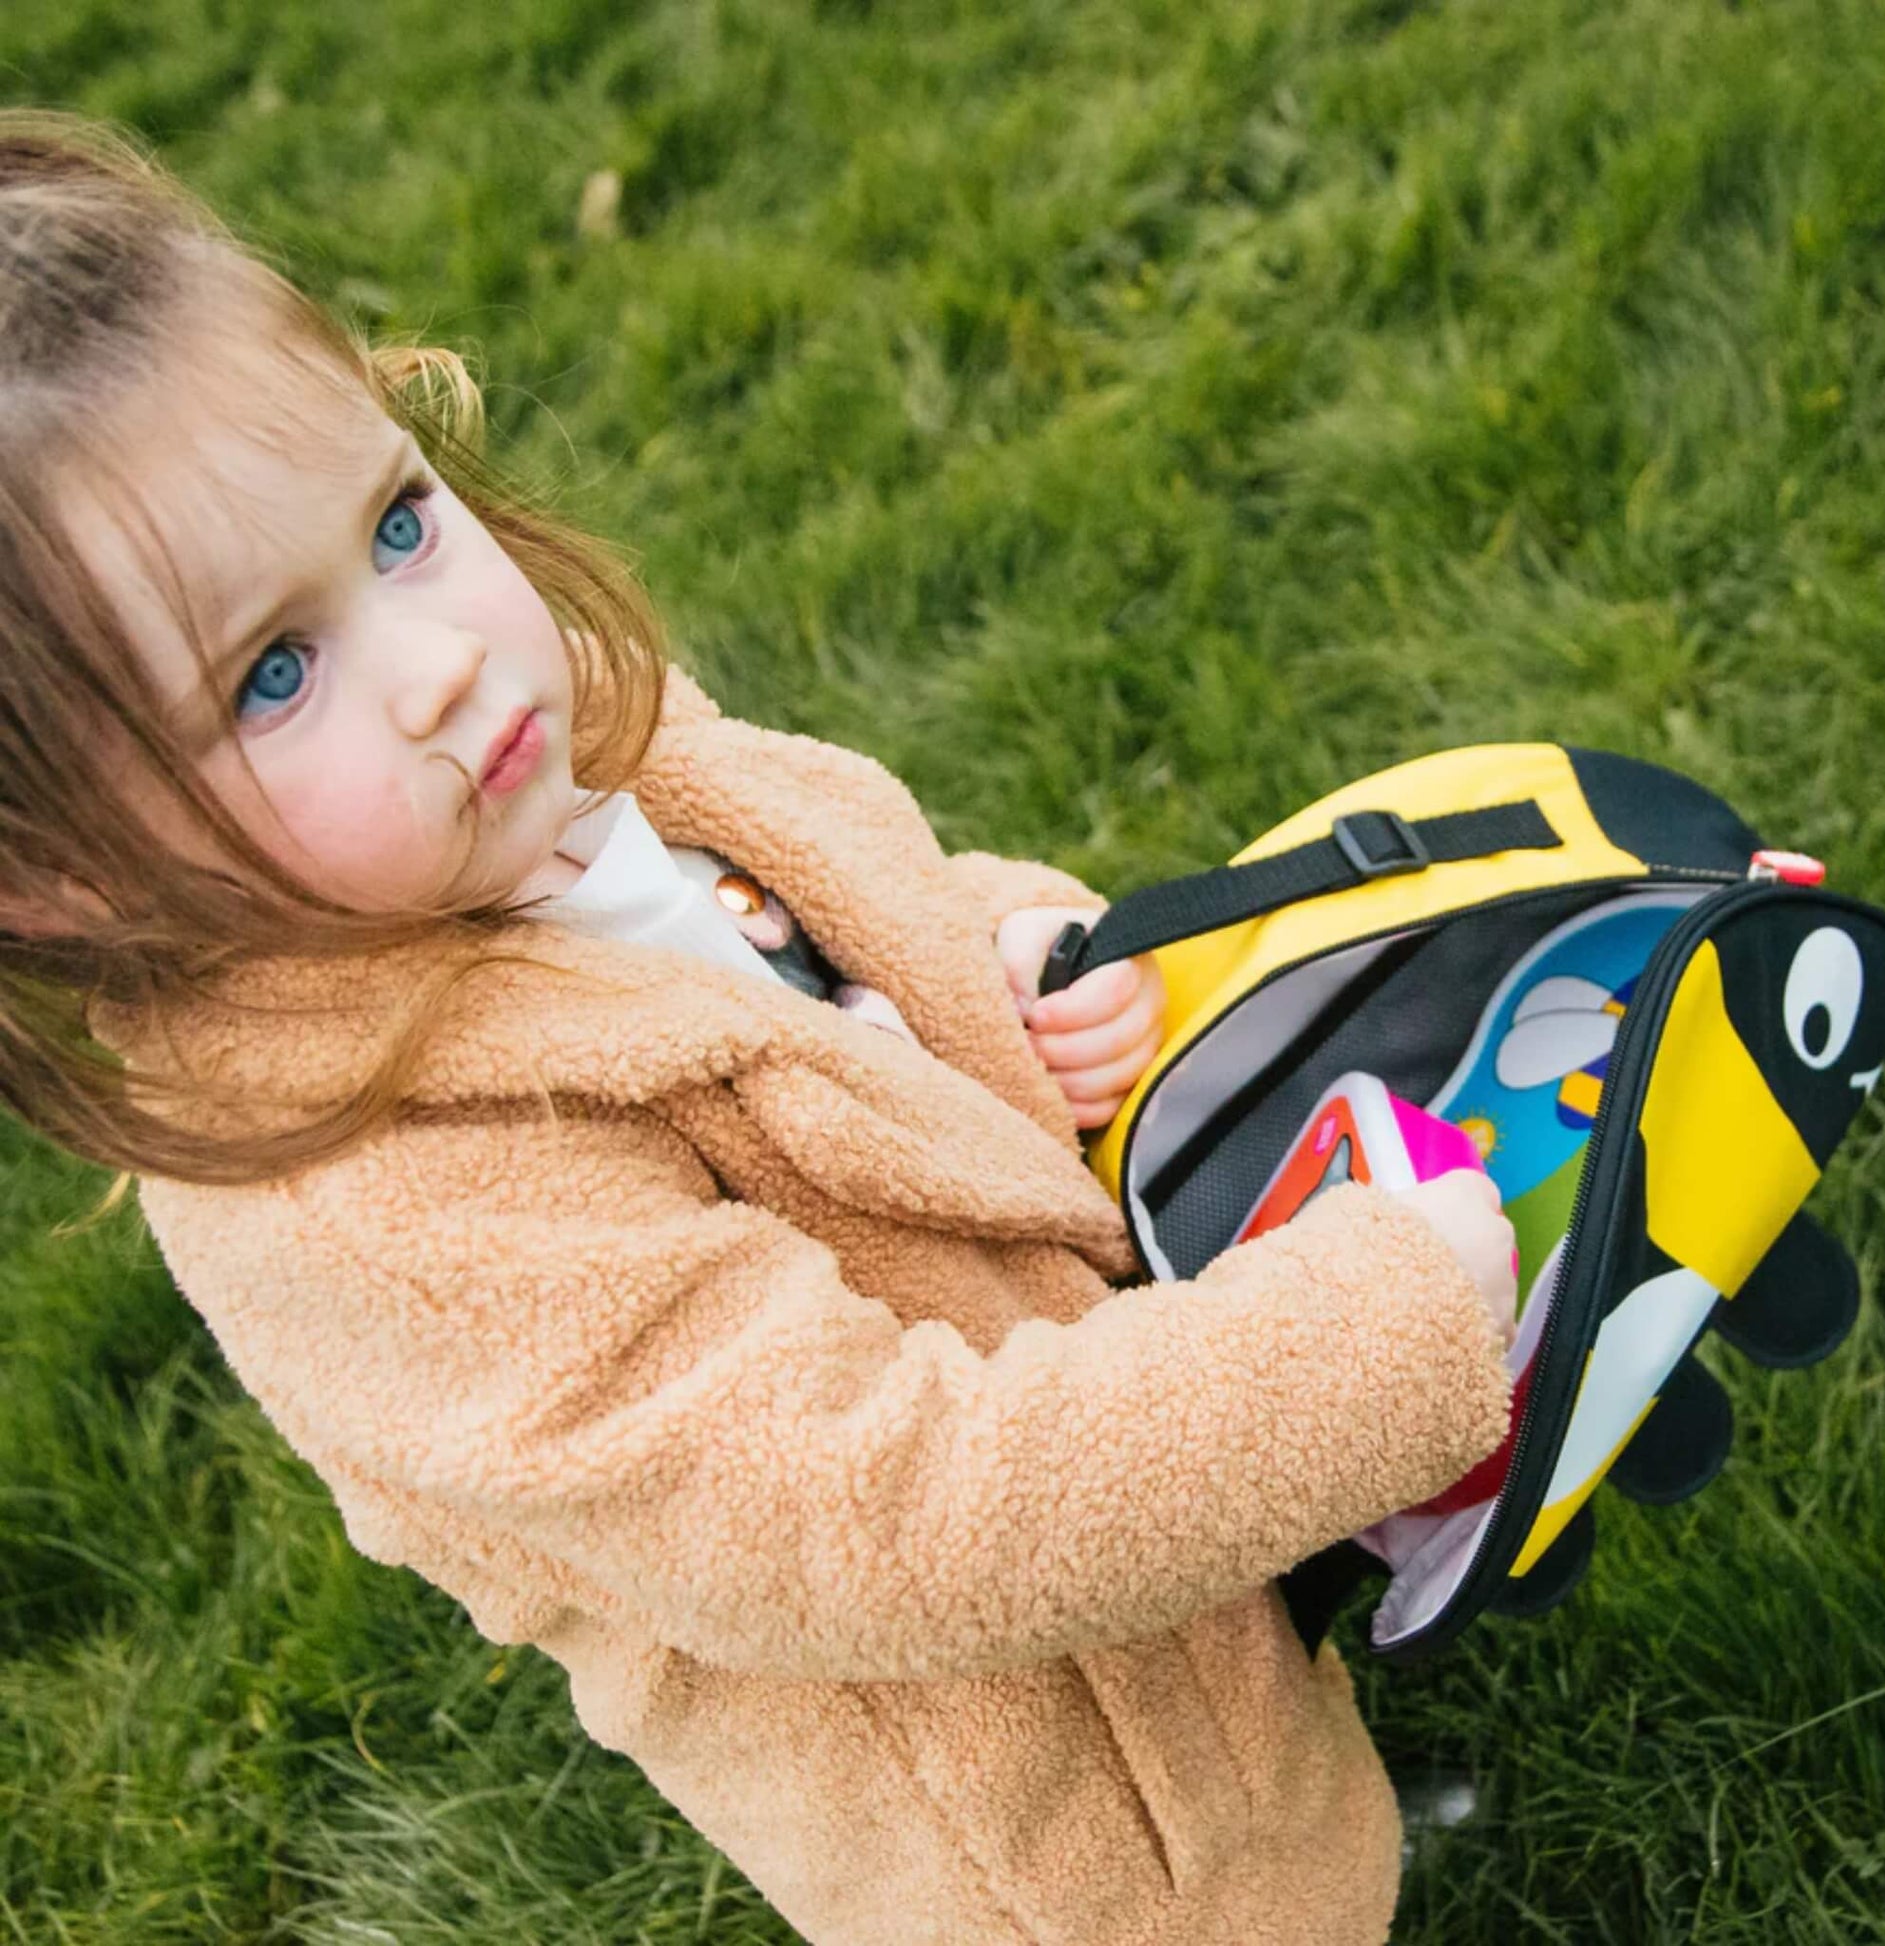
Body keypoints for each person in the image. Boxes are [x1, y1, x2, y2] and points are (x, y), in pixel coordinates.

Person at [0, 111, 1517, 1946]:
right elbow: (885, 1512)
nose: (443, 658)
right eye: (271, 674)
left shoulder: (544, 779)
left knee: (1281, 1813)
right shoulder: (381, 1214)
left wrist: (999, 948)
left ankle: (1328, 1849)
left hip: (1153, 1583)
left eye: (399, 521)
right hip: (1052, 1832)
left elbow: (826, 920)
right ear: (55, 879)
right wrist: (1381, 1330)